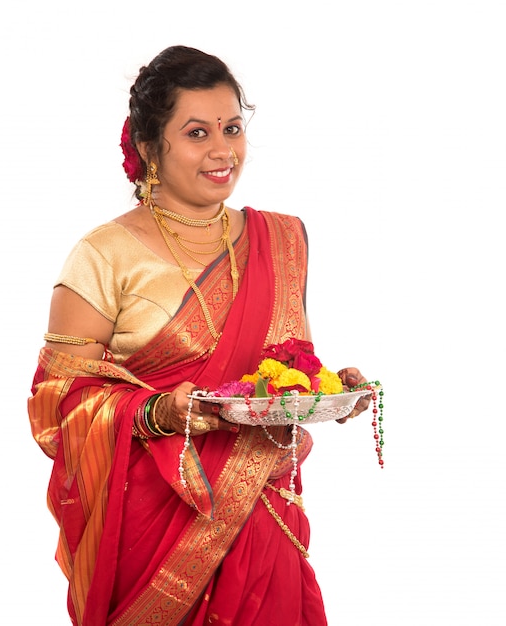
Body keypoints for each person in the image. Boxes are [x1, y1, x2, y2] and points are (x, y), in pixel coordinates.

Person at [28, 45, 370, 626]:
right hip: (157, 521)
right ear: (148, 146)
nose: (223, 150)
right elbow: (59, 401)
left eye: (232, 128)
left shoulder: (281, 240)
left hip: (261, 508)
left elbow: (287, 361)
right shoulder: (103, 255)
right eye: (196, 132)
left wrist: (329, 387)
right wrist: (158, 412)